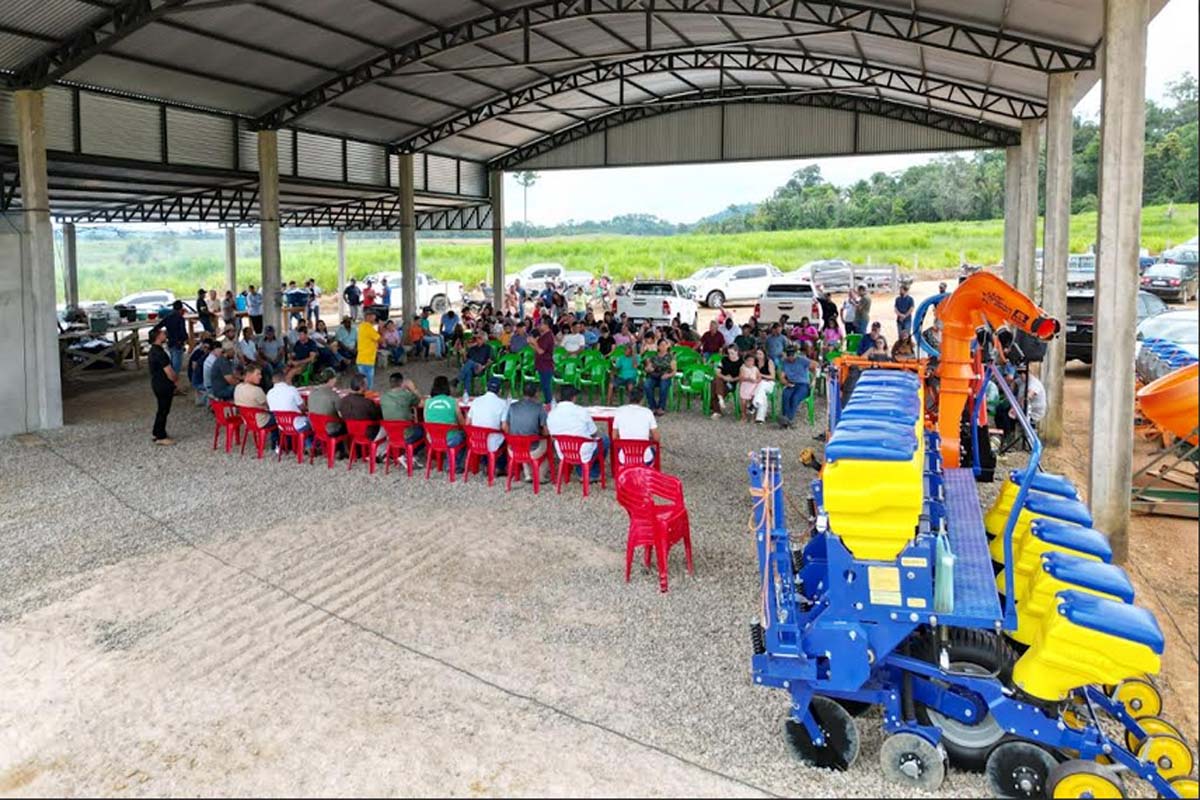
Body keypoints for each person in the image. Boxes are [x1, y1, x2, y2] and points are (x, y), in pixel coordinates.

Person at [547, 385, 608, 480]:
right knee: (605, 440)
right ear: (573, 397)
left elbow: (552, 435)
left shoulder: (552, 413)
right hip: (582, 450)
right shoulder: (581, 411)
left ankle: (583, 471)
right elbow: (594, 433)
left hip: (563, 451)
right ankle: (591, 473)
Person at [503, 382, 550, 483]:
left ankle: (528, 474)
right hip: (532, 448)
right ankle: (540, 475)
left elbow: (505, 426)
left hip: (513, 448)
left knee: (522, 439)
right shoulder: (539, 407)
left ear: (522, 393)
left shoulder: (512, 407)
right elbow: (545, 432)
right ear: (536, 394)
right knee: (548, 447)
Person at [380, 372, 425, 467]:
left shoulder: (383, 397)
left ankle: (404, 454)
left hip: (390, 434)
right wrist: (413, 389)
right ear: (402, 383)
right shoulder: (407, 395)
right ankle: (409, 454)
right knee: (424, 430)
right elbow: (421, 402)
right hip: (406, 434)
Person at [467, 376, 509, 473]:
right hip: (492, 442)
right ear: (500, 391)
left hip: (476, 440)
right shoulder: (502, 404)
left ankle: (486, 464)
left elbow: (467, 423)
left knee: (490, 438)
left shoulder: (476, 401)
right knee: (505, 439)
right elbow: (504, 426)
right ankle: (499, 467)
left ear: (486, 388)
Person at [423, 375, 467, 469]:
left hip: (433, 439)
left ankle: (444, 461)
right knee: (464, 435)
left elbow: (426, 420)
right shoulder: (452, 401)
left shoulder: (427, 402)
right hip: (450, 439)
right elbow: (462, 422)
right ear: (447, 387)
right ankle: (454, 464)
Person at [612, 385, 660, 467]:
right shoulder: (648, 412)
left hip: (624, 459)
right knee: (653, 450)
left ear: (629, 397)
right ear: (642, 399)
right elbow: (657, 438)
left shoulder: (619, 411)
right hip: (645, 459)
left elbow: (614, 437)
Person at [267, 367, 312, 452]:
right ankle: (310, 445)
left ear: (273, 380)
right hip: (296, 424)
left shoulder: (269, 393)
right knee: (311, 421)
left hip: (281, 426)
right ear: (284, 378)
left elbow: (272, 410)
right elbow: (302, 407)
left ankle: (306, 445)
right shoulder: (291, 390)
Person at [147, 326, 177, 445]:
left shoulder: (153, 350)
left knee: (162, 410)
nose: (165, 334)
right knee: (163, 410)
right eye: (163, 333)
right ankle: (160, 436)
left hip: (157, 383)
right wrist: (175, 380)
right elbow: (169, 371)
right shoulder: (159, 353)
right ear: (158, 336)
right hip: (163, 384)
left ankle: (158, 431)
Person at [234, 364, 275, 447]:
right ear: (249, 375)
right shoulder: (256, 390)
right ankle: (277, 443)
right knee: (280, 417)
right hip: (261, 421)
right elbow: (269, 405)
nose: (260, 377)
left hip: (247, 420)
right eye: (258, 374)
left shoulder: (238, 387)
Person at [778, 345, 817, 428]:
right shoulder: (784, 362)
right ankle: (784, 416)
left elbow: (815, 366)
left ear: (795, 354)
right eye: (789, 356)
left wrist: (813, 380)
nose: (791, 358)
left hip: (803, 384)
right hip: (791, 383)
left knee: (795, 398)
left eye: (792, 355)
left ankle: (789, 418)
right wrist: (786, 383)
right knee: (785, 395)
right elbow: (782, 376)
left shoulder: (802, 360)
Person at [337, 373, 381, 441]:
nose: (368, 386)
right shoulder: (367, 403)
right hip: (369, 434)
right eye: (366, 384)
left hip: (351, 432)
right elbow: (378, 417)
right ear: (361, 387)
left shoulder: (343, 401)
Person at [306, 369, 345, 439]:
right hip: (330, 429)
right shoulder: (332, 394)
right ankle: (344, 449)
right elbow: (342, 410)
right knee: (347, 426)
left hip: (315, 427)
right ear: (331, 380)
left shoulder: (312, 393)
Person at [642, 337, 676, 416]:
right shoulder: (654, 357)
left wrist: (668, 375)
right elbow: (648, 367)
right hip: (654, 376)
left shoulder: (671, 357)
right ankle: (652, 406)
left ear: (667, 346)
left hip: (665, 376)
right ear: (658, 347)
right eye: (661, 345)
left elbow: (674, 372)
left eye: (665, 345)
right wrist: (648, 368)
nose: (663, 347)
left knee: (663, 386)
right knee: (647, 385)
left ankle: (661, 407)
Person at [456, 331, 493, 397]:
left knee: (470, 363)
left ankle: (458, 380)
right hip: (471, 367)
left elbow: (490, 361)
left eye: (480, 338)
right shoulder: (472, 348)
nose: (477, 340)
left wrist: (483, 367)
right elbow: (465, 361)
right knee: (468, 372)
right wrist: (464, 354)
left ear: (484, 339)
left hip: (480, 368)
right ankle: (467, 394)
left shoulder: (488, 348)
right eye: (477, 338)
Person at [710, 344, 742, 418]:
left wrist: (732, 379)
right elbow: (717, 372)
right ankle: (720, 399)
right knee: (716, 380)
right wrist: (725, 377)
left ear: (737, 352)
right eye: (729, 353)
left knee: (714, 385)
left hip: (732, 383)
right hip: (722, 380)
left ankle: (716, 410)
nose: (730, 355)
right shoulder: (724, 360)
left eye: (732, 353)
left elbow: (742, 376)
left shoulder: (741, 362)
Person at [531, 317, 556, 405]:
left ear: (546, 325)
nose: (539, 326)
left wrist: (534, 343)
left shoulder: (548, 336)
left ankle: (549, 403)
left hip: (546, 365)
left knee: (546, 386)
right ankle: (547, 402)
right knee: (544, 386)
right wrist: (531, 343)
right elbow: (537, 350)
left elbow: (541, 351)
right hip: (541, 364)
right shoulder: (543, 335)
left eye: (541, 324)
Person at [162, 299, 189, 379]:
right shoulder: (180, 318)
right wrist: (186, 339)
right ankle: (174, 386)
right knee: (176, 367)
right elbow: (182, 331)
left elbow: (158, 326)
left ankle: (171, 382)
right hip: (178, 343)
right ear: (181, 309)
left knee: (172, 363)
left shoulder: (168, 317)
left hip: (170, 342)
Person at [749, 348, 776, 424]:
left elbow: (773, 376)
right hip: (758, 384)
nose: (758, 356)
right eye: (757, 354)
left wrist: (761, 375)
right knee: (762, 393)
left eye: (760, 354)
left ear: (764, 354)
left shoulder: (769, 362)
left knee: (762, 385)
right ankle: (760, 418)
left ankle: (753, 404)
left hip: (769, 383)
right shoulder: (755, 362)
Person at [356, 310, 382, 388]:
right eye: (373, 316)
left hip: (362, 358)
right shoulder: (368, 327)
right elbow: (381, 340)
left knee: (362, 383)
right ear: (368, 316)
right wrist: (381, 327)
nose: (375, 318)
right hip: (367, 359)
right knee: (368, 385)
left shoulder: (362, 326)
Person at [737, 350, 762, 424]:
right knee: (743, 402)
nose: (750, 363)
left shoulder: (755, 368)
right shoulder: (742, 368)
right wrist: (748, 379)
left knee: (752, 402)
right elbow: (741, 377)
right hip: (745, 386)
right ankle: (743, 416)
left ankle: (752, 416)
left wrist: (757, 381)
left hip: (753, 387)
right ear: (745, 361)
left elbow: (759, 377)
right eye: (748, 361)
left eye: (752, 361)